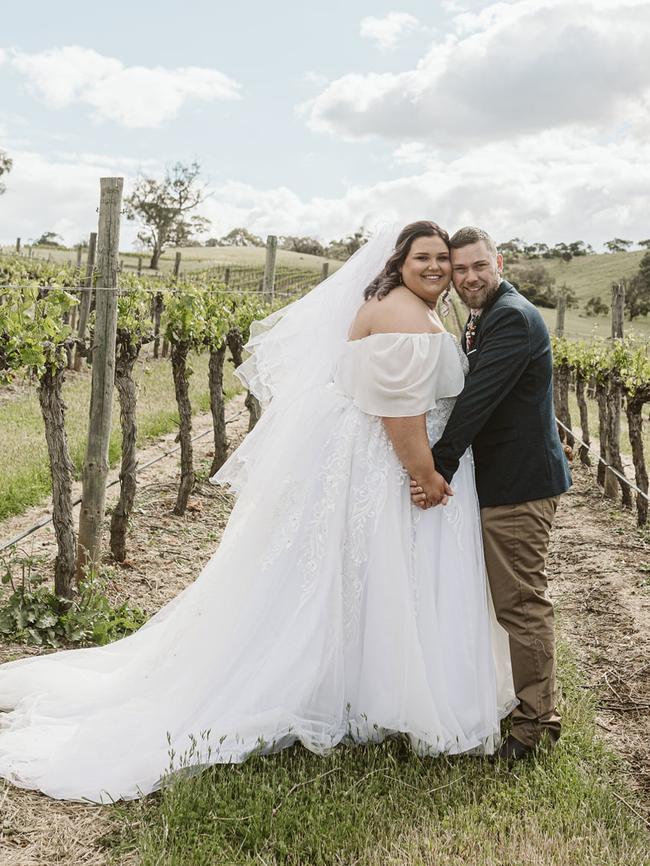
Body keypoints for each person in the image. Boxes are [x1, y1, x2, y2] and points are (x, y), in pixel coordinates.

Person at [0, 221, 515, 804]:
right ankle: (376, 690)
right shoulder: (401, 312)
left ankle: (363, 683)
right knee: (376, 572)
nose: (437, 268)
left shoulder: (400, 304)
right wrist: (426, 477)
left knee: (357, 575)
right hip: (391, 465)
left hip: (370, 461)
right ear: (398, 262)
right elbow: (401, 413)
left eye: (443, 259)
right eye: (423, 257)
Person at [411, 226, 571, 760]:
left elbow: (476, 400)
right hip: (501, 479)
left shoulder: (513, 318)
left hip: (520, 484)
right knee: (505, 599)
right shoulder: (484, 315)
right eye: (460, 270)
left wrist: (438, 468)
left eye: (479, 265)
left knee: (521, 603)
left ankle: (536, 725)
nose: (470, 277)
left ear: (498, 261)